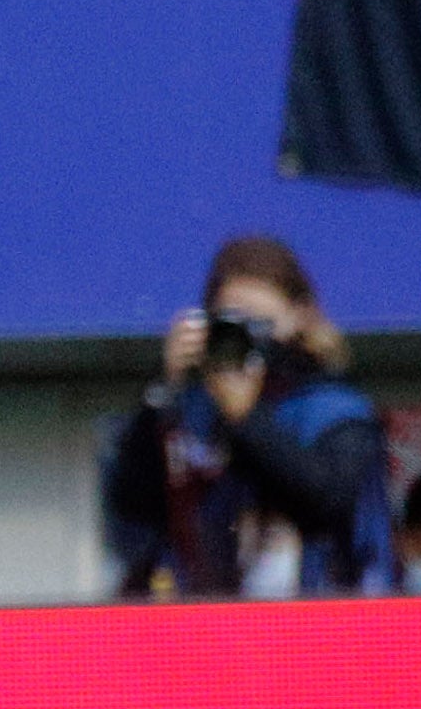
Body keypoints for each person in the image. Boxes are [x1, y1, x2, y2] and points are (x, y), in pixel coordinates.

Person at [104, 234, 392, 598]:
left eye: (260, 324)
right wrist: (165, 388)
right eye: (233, 324)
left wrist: (246, 418)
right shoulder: (192, 410)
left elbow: (327, 506)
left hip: (319, 616)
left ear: (300, 317)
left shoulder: (335, 409)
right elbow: (133, 509)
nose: (247, 340)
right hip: (205, 611)